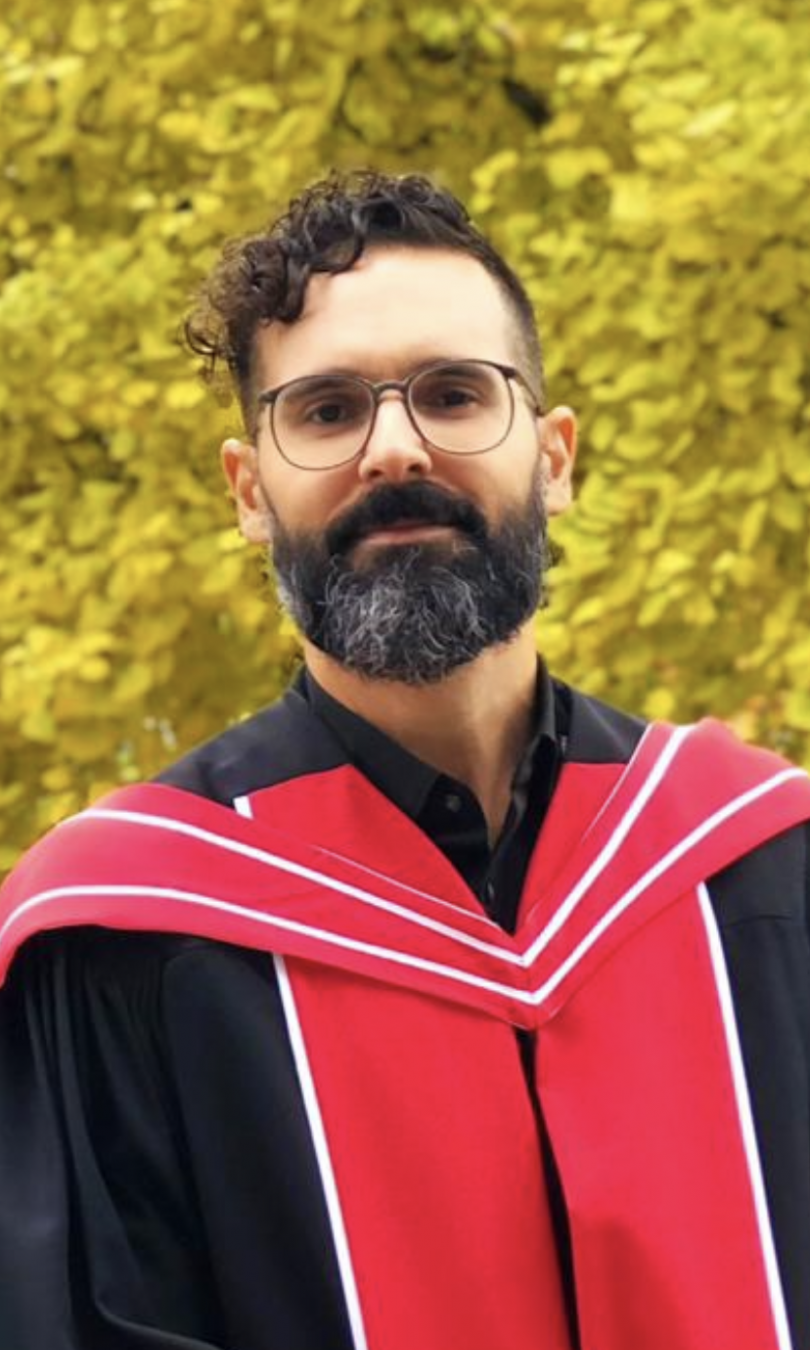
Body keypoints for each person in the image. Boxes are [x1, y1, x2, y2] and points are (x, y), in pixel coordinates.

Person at [1, 171, 809, 1350]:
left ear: (556, 456)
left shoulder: (763, 869)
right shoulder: (123, 937)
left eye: (452, 392)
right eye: (326, 410)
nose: (394, 448)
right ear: (248, 492)